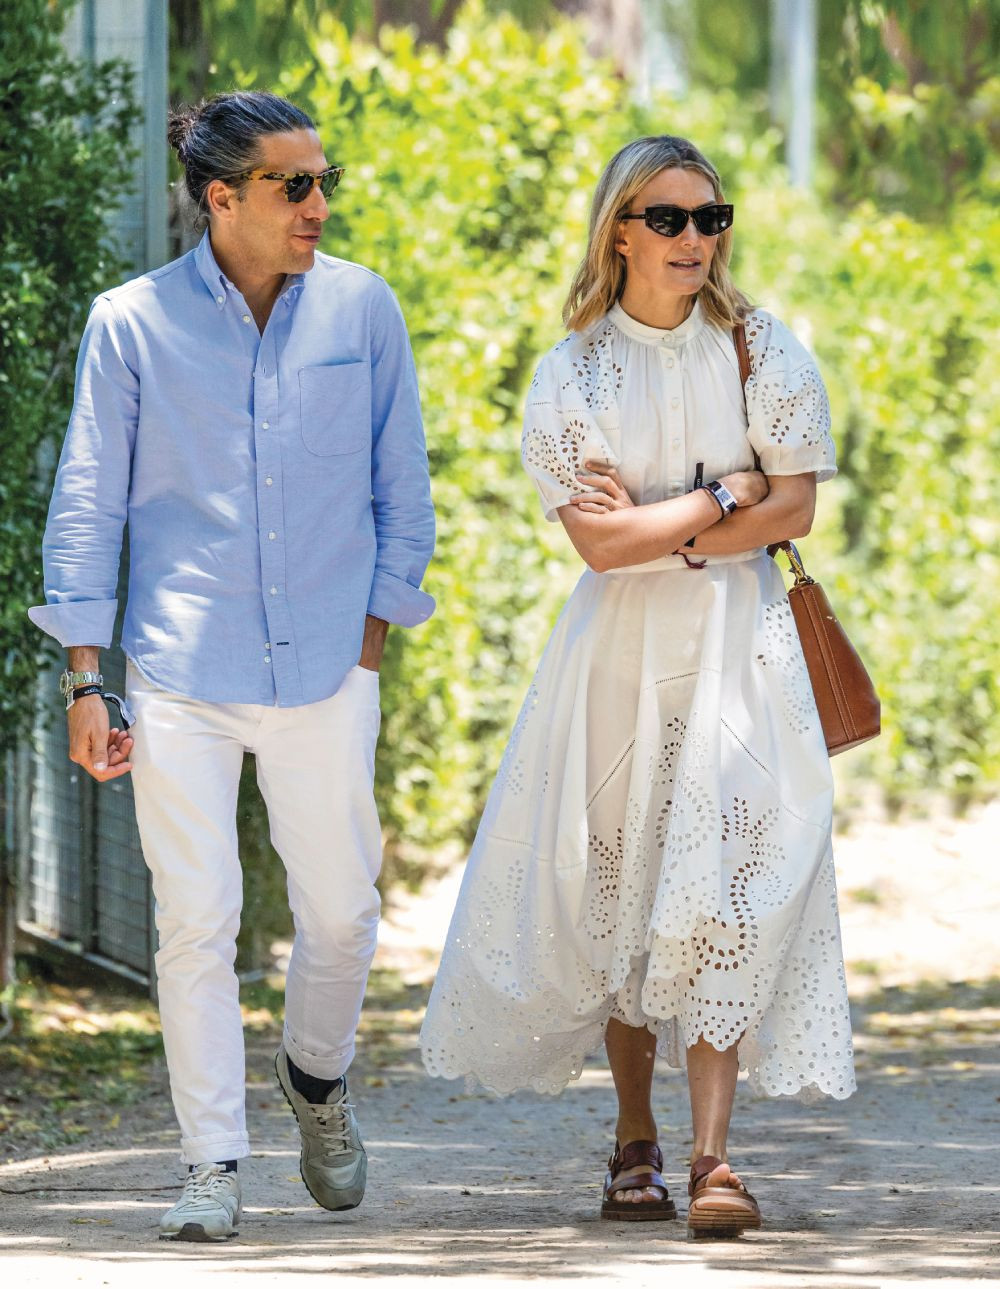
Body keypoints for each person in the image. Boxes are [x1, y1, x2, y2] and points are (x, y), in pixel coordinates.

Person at [420, 135, 854, 1236]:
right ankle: (633, 1137)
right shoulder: (572, 374)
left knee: (727, 882)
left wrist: (667, 524)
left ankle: (713, 1156)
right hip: (614, 657)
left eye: (711, 218)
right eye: (668, 219)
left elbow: (795, 509)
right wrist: (722, 497)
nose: (693, 238)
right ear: (620, 230)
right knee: (621, 880)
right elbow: (602, 550)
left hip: (741, 649)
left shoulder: (763, 350)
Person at [28, 90, 435, 1242]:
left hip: (327, 664)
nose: (317, 205)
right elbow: (88, 502)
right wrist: (87, 676)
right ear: (222, 197)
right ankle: (210, 1160)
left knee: (342, 912)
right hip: (179, 669)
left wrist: (369, 643)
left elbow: (402, 490)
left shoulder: (362, 308)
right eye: (292, 184)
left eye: (322, 182)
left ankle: (315, 1077)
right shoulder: (130, 323)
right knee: (195, 916)